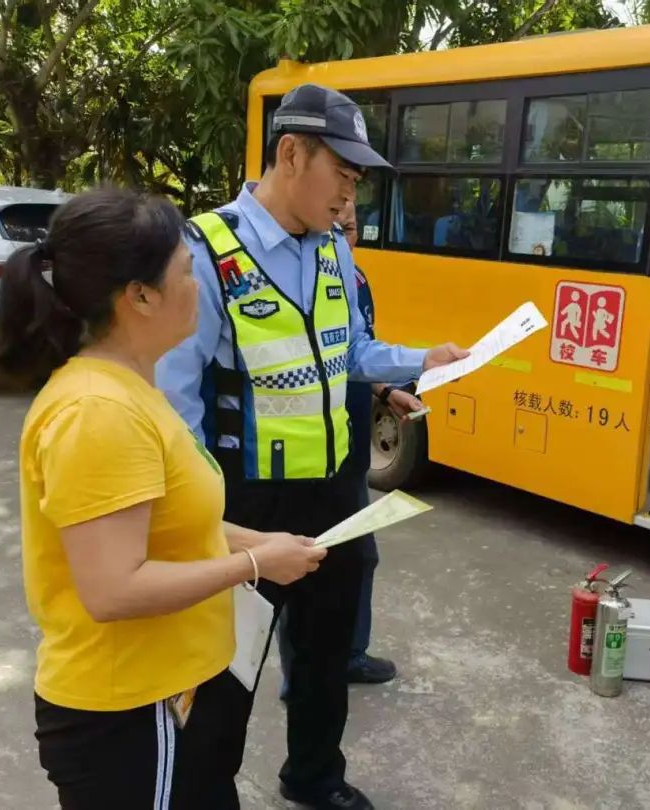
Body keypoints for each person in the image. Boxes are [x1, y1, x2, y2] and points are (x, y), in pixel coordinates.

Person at [156, 84, 466, 810]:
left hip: (334, 493)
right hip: (245, 500)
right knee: (225, 666)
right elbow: (176, 401)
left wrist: (422, 360)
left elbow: (349, 349)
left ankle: (314, 777)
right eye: (343, 174)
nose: (350, 195)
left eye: (357, 179)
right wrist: (199, 519)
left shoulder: (331, 251)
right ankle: (204, 793)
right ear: (291, 153)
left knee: (326, 654)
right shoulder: (207, 250)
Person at [0, 187, 326, 809]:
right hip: (132, 713)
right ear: (139, 296)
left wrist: (258, 541)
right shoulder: (99, 412)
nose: (200, 288)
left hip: (173, 692)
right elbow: (114, 589)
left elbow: (169, 523)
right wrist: (253, 564)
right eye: (187, 273)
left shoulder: (134, 387)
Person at [276, 199, 424, 690]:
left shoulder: (355, 279)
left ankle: (347, 656)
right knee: (306, 565)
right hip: (313, 449)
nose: (344, 234)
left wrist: (387, 391)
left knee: (357, 559)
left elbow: (355, 353)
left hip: (352, 442)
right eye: (337, 225)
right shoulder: (298, 285)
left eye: (353, 226)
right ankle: (303, 675)